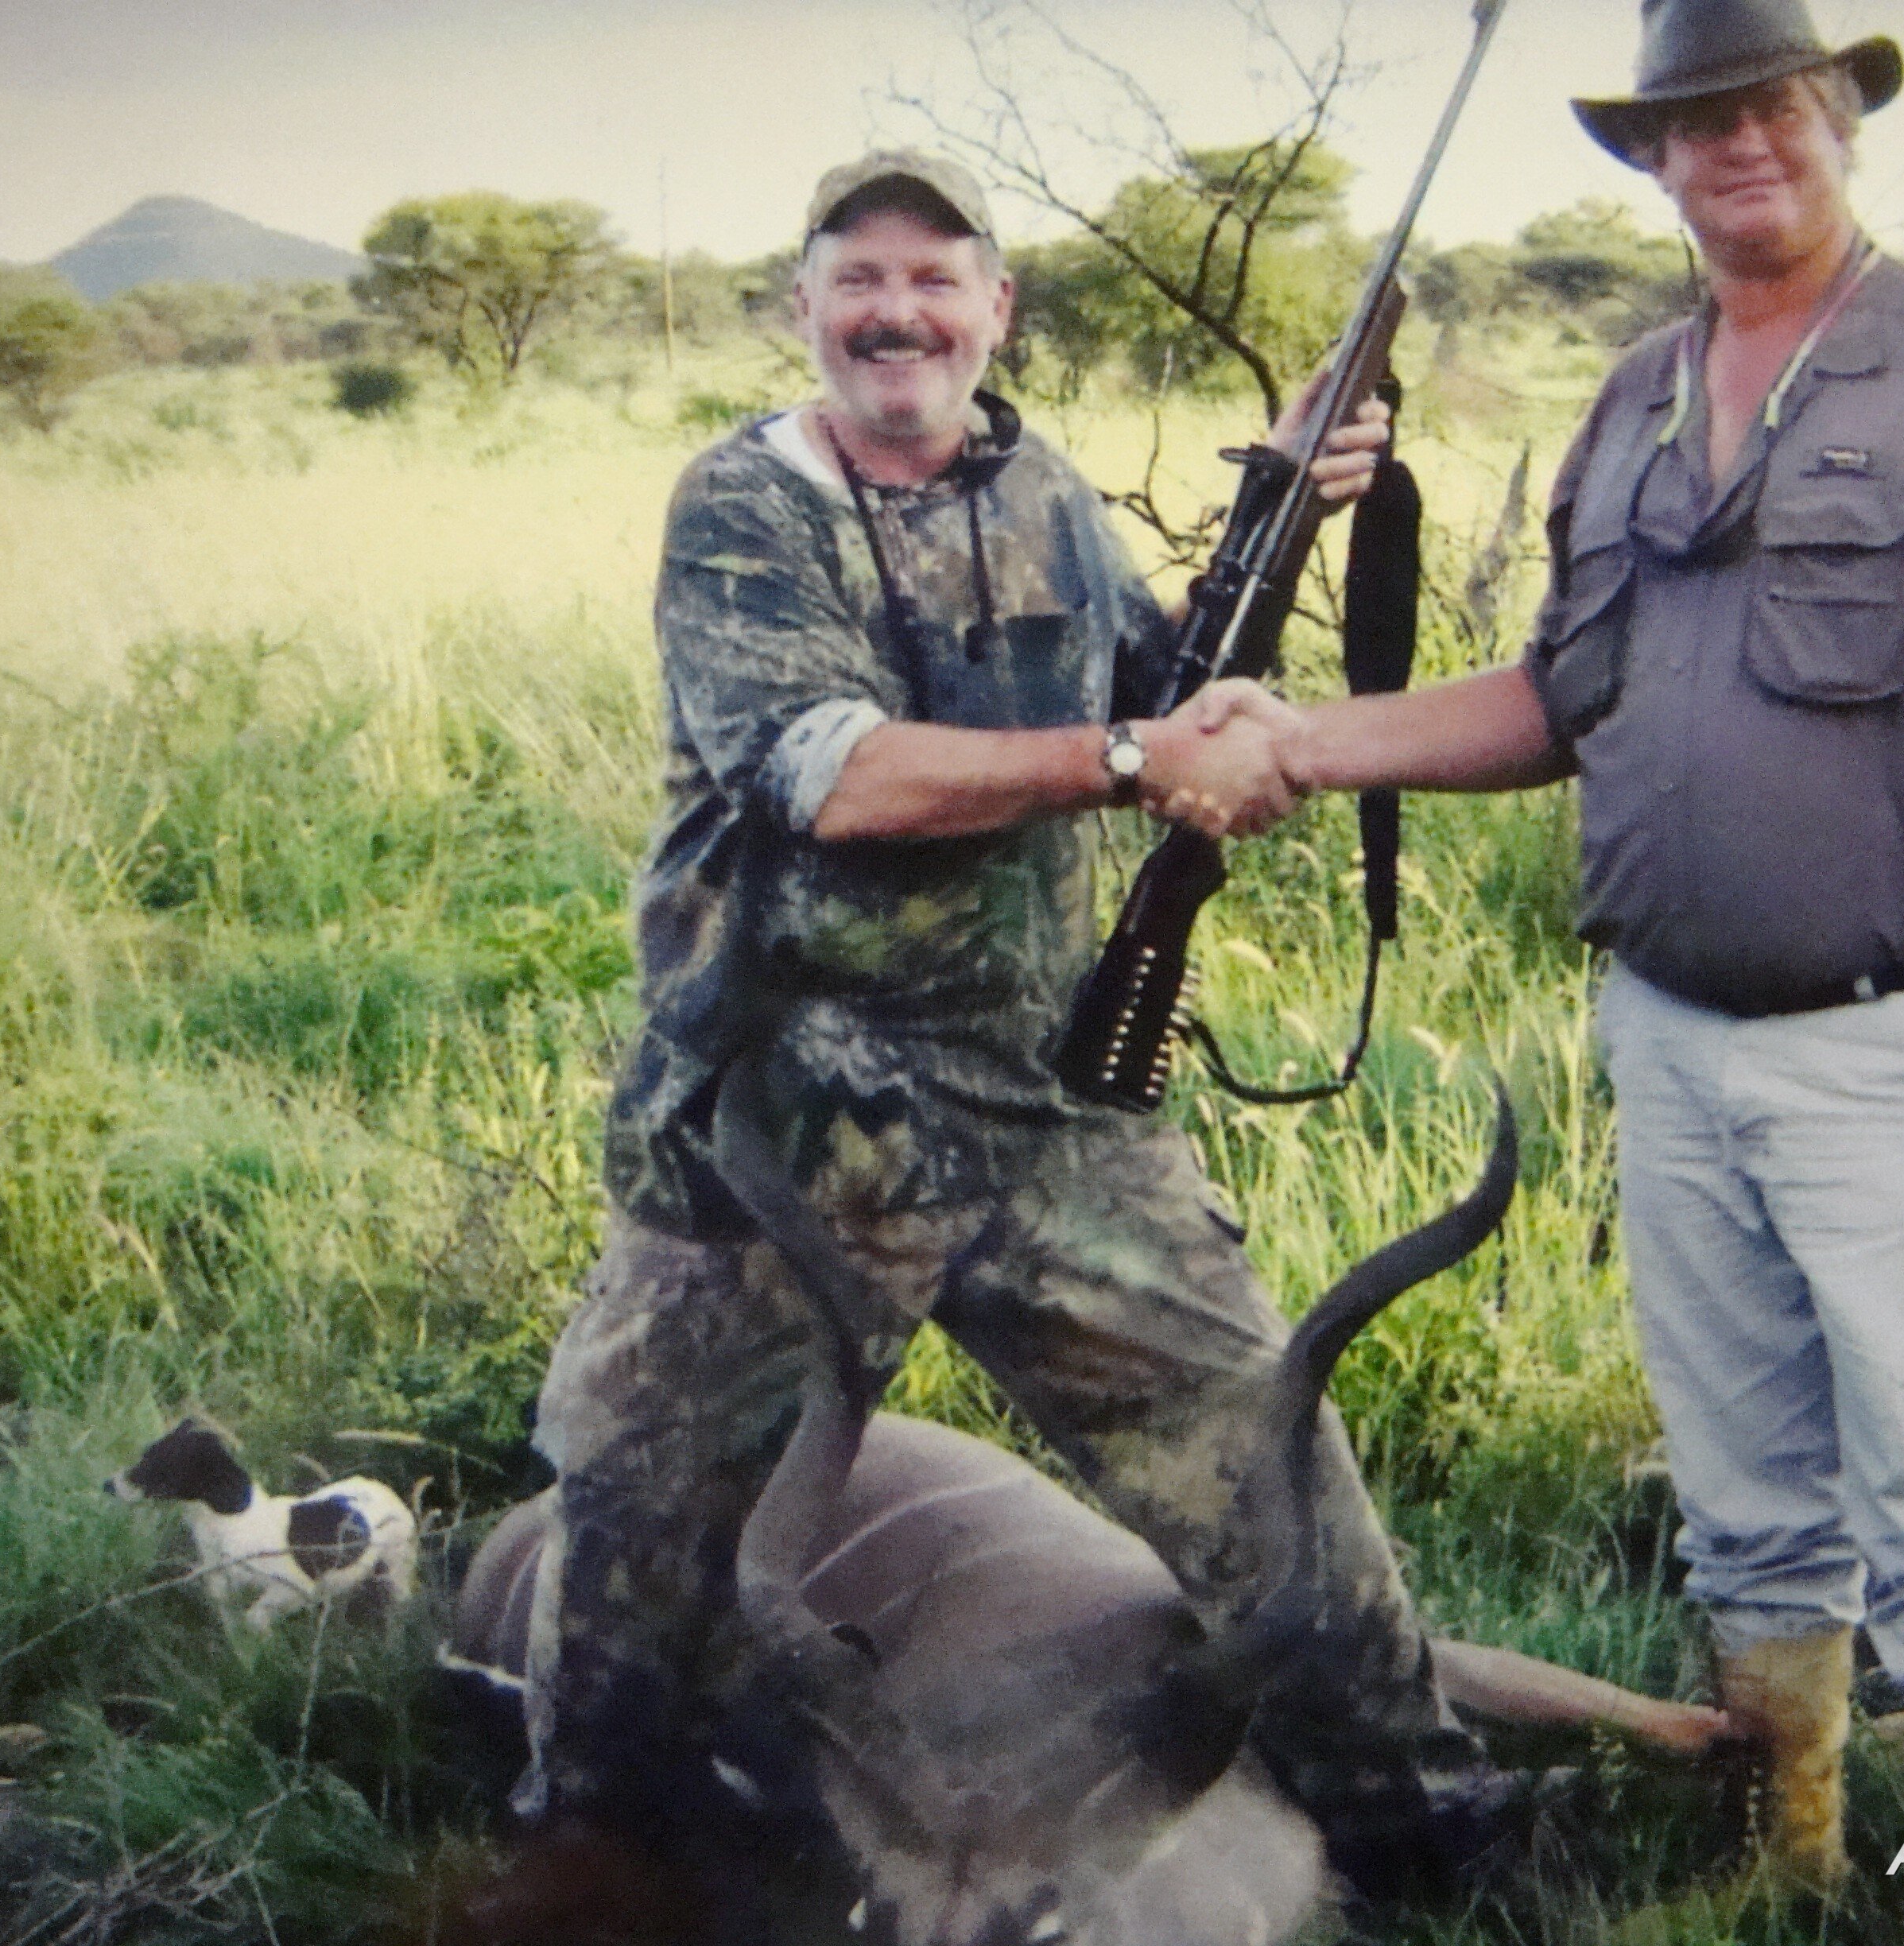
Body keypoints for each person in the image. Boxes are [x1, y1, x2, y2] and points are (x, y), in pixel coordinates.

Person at [1193, 0, 1904, 1894]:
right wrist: (1292, 741)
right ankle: (1784, 1868)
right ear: (1650, 159)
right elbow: (1563, 696)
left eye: (1775, 107)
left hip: (1903, 1040)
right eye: (1696, 122)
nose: (1741, 148)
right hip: (1673, 1042)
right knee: (1745, 1506)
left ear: (1839, 123)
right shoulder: (1631, 394)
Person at [514, 148, 1517, 1901]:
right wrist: (1141, 763)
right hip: (781, 1133)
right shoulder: (746, 504)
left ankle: (1429, 1830)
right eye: (859, 277)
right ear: (802, 308)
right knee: (630, 1536)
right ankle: (581, 1859)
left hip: (1050, 1116)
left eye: (936, 275)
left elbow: (1155, 693)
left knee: (1268, 1461)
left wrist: (1283, 520)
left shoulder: (1041, 486)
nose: (897, 310)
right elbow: (830, 775)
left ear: (998, 308)